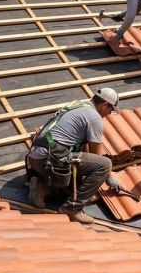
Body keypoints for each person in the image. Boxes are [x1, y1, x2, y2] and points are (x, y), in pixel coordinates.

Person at [26, 88, 122, 224]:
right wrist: (109, 177)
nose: (109, 114)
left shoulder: (77, 105)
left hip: (35, 157)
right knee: (105, 164)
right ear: (105, 104)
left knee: (73, 185)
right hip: (51, 159)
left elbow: (83, 147)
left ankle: (40, 186)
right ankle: (72, 208)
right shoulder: (95, 118)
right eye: (110, 110)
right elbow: (97, 154)